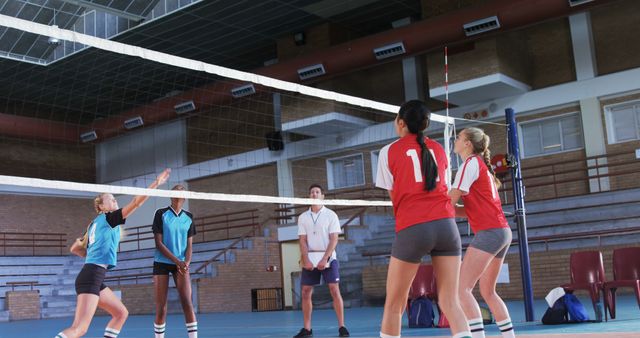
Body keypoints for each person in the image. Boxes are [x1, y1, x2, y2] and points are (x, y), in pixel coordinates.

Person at [376, 100, 471, 338]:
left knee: (395, 305)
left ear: (401, 122)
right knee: (450, 301)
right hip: (447, 228)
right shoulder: (439, 149)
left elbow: (395, 198)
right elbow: (446, 192)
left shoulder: (388, 151)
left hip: (414, 227)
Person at [56, 169, 171, 338]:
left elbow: (75, 248)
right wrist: (156, 183)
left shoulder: (93, 224)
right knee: (79, 329)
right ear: (101, 207)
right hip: (91, 277)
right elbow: (136, 203)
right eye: (110, 198)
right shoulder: (109, 218)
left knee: (121, 313)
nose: (114, 199)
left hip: (93, 275)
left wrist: (92, 255)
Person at [450, 128, 515, 338]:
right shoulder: (481, 167)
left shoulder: (469, 164)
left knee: (462, 290)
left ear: (468, 144)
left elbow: (449, 200)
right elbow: (464, 209)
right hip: (502, 232)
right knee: (488, 292)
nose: (455, 140)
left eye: (459, 137)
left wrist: (426, 204)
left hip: (490, 232)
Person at [293, 184, 349, 338]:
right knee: (305, 292)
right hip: (310, 257)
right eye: (311, 192)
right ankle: (307, 329)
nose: (314, 194)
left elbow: (334, 239)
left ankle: (342, 327)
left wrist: (325, 258)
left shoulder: (331, 215)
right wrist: (306, 259)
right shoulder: (303, 217)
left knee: (334, 289)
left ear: (322, 196)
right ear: (308, 196)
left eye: (317, 192)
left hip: (328, 257)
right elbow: (302, 240)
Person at [152, 184, 198, 338]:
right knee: (161, 307)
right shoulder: (161, 214)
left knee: (187, 302)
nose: (179, 190)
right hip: (162, 263)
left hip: (182, 264)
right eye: (176, 189)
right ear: (171, 195)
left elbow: (189, 245)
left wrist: (186, 262)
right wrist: (178, 261)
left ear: (185, 197)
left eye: (182, 189)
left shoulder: (189, 217)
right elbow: (159, 244)